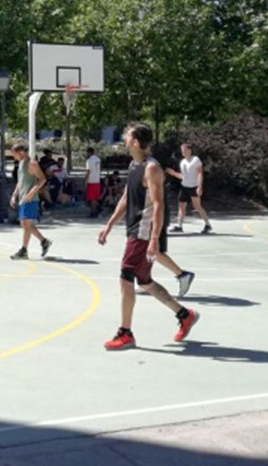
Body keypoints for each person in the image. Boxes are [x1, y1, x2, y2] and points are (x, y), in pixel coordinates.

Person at [97, 123, 198, 350]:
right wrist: (109, 225)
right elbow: (126, 198)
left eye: (127, 136)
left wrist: (153, 239)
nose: (124, 138)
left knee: (126, 276)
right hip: (134, 228)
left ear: (135, 141)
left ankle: (125, 333)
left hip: (142, 232)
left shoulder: (152, 168)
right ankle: (184, 314)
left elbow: (159, 204)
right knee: (144, 281)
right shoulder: (134, 165)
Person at [8, 142, 52, 260]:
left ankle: (24, 250)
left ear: (21, 152)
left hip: (30, 199)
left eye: (15, 154)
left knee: (26, 223)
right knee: (25, 224)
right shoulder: (21, 164)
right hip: (23, 198)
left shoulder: (31, 163)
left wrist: (31, 193)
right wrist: (14, 195)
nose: (14, 157)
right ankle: (44, 241)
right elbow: (20, 181)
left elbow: (42, 179)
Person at [165, 142, 212, 234]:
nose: (182, 152)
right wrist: (173, 173)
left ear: (189, 150)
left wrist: (200, 186)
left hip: (193, 186)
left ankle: (208, 225)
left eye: (184, 150)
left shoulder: (195, 160)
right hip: (184, 186)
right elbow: (183, 176)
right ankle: (179, 226)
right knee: (181, 206)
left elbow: (200, 174)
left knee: (197, 206)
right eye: (182, 150)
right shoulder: (182, 162)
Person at [83, 147, 102, 217]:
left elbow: (88, 171)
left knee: (91, 198)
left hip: (91, 181)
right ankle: (98, 209)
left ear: (89, 152)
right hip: (97, 181)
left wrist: (85, 181)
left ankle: (93, 212)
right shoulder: (98, 159)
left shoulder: (89, 161)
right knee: (95, 197)